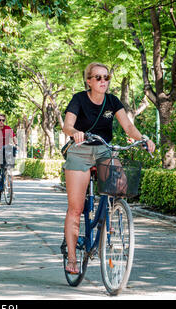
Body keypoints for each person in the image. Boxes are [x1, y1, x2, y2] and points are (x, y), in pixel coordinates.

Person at [62, 62, 156, 274]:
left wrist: (143, 138)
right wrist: (76, 132)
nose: (103, 81)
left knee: (120, 186)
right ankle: (72, 256)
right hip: (80, 151)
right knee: (75, 209)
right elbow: (67, 125)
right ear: (89, 81)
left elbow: (128, 127)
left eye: (106, 78)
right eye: (98, 78)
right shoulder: (79, 99)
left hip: (104, 150)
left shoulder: (113, 101)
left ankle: (111, 215)